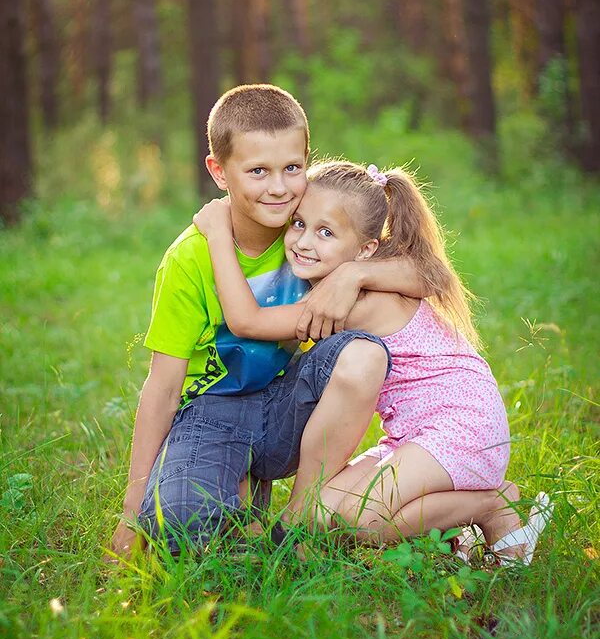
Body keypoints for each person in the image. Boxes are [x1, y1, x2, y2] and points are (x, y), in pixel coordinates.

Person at [110, 85, 427, 558]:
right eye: (258, 171)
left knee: (362, 351)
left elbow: (424, 274)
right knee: (181, 531)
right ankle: (237, 488)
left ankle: (303, 519)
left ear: (306, 162)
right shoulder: (189, 260)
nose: (278, 187)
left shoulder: (307, 229)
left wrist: (357, 272)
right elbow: (162, 387)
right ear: (219, 172)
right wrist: (132, 511)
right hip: (209, 414)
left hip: (288, 403)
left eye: (292, 168)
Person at [193, 160, 553, 564]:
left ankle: (493, 504)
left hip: (462, 424)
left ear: (365, 250)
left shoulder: (350, 300)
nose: (304, 242)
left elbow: (247, 322)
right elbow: (424, 273)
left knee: (361, 520)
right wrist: (354, 272)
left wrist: (219, 235)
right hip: (413, 433)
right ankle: (452, 521)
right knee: (323, 513)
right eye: (298, 224)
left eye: (325, 232)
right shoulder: (360, 278)